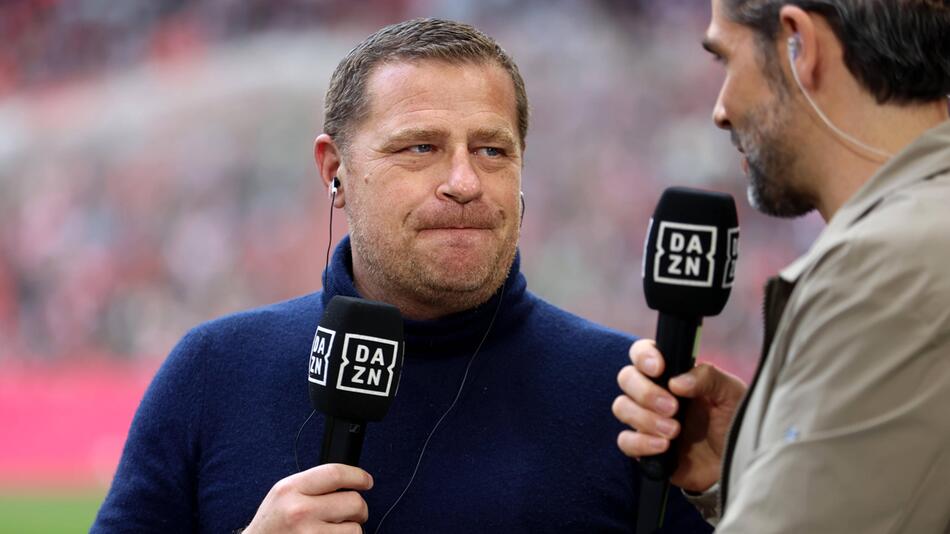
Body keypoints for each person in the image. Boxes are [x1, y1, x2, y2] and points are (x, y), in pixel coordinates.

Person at [92, 18, 712, 533]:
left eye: (492, 150)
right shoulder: (214, 371)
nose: (464, 182)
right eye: (421, 147)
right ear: (334, 170)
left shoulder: (635, 401)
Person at [612, 0, 950, 532]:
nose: (720, 109)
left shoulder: (886, 270)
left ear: (800, 45)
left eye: (726, 59)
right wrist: (755, 454)